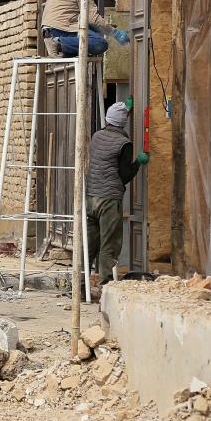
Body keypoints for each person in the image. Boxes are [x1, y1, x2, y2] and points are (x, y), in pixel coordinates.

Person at [86, 99, 150, 284]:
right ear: (124, 122)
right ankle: (105, 284)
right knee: (109, 244)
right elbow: (124, 176)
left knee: (89, 244)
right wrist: (138, 162)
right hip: (109, 200)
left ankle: (81, 285)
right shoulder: (124, 144)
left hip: (91, 197)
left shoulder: (96, 136)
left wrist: (125, 110)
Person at [41, 0, 129, 57]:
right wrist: (115, 32)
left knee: (94, 35)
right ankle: (57, 43)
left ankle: (60, 46)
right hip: (60, 29)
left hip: (51, 29)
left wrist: (105, 26)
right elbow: (92, 18)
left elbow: (84, 18)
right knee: (100, 43)